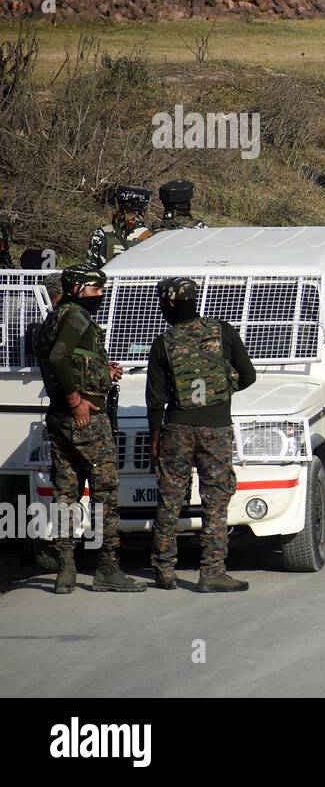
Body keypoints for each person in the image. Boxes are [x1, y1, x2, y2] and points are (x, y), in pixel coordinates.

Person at [35, 265, 143, 593]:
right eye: (97, 289)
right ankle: (107, 568)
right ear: (79, 288)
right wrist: (76, 399)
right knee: (105, 492)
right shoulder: (77, 316)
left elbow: (69, 358)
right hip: (86, 419)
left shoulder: (56, 316)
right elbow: (57, 358)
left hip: (60, 419)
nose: (101, 295)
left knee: (66, 493)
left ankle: (66, 569)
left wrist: (101, 369)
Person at [147, 277, 258, 592]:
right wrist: (219, 390)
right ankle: (211, 572)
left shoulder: (163, 343)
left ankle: (164, 571)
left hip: (176, 429)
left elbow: (154, 400)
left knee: (169, 500)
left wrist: (155, 438)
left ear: (168, 304)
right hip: (216, 429)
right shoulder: (223, 331)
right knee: (215, 500)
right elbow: (248, 375)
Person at [87, 185, 153, 268]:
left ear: (117, 205)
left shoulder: (100, 233)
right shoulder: (153, 238)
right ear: (145, 210)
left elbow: (90, 271)